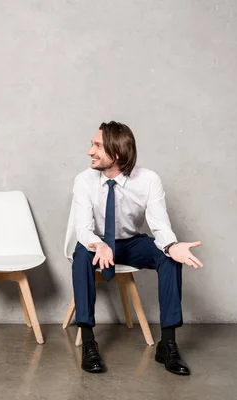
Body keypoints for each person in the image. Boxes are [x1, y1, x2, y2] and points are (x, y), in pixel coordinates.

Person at [71, 121, 203, 375]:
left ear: (116, 153)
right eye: (92, 145)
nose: (90, 151)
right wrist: (99, 244)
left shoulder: (148, 180)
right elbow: (83, 228)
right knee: (81, 258)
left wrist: (172, 246)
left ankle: (168, 344)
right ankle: (88, 342)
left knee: (169, 258)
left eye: (97, 146)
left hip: (131, 243)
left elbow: (159, 225)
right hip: (96, 242)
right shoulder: (84, 180)